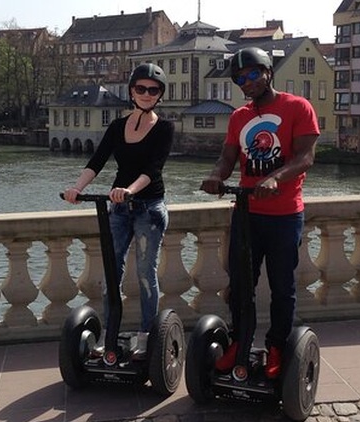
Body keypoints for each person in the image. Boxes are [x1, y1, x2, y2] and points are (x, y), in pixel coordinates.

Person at [199, 46, 320, 380]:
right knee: (240, 286)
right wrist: (216, 177)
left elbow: (305, 157)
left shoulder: (298, 107)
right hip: (247, 214)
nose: (247, 81)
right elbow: (227, 158)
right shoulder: (239, 117)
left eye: (253, 74)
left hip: (284, 215)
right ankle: (240, 342)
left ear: (268, 72)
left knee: (282, 288)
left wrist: (274, 178)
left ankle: (277, 346)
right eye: (240, 77)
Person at [63, 63, 175, 349]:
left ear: (160, 94)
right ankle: (109, 335)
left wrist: (129, 190)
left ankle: (147, 336)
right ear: (132, 91)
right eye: (141, 89)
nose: (147, 94)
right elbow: (97, 162)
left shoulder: (164, 128)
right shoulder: (116, 126)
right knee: (111, 270)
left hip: (148, 207)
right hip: (120, 208)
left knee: (145, 273)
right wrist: (78, 188)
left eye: (153, 90)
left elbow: (154, 169)